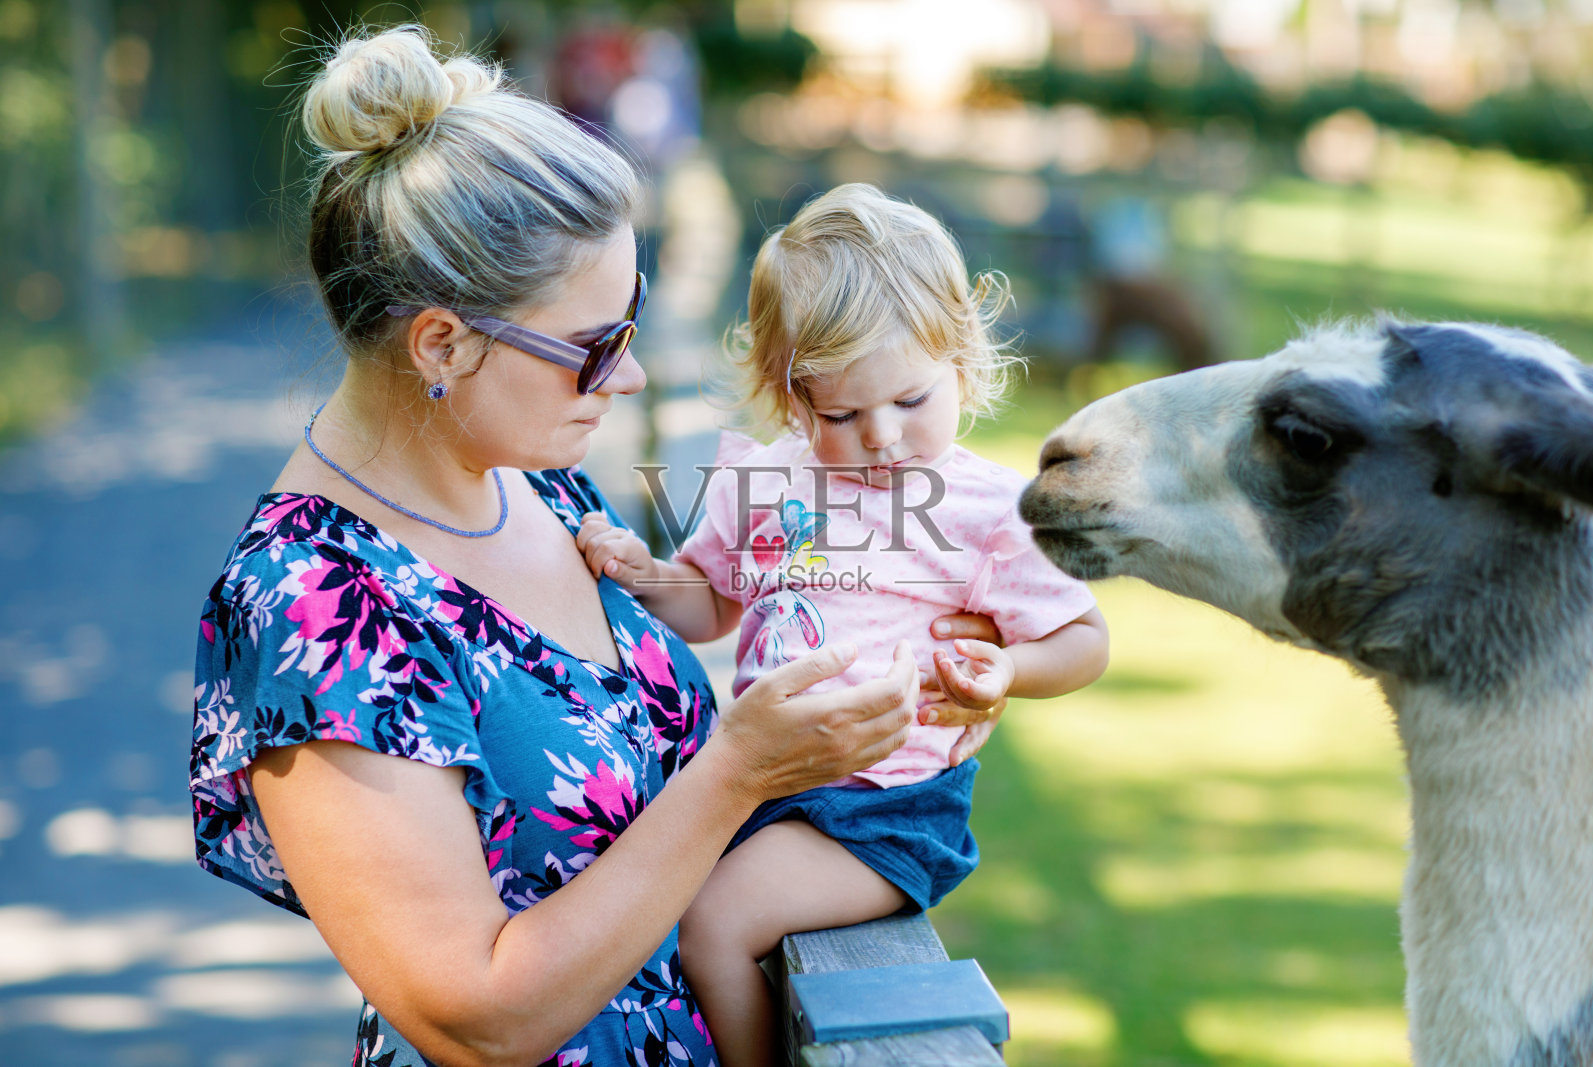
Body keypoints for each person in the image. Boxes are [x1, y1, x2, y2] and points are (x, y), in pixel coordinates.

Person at [188, 29, 1001, 1067]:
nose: (629, 380)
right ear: (443, 343)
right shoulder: (313, 605)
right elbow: (475, 1017)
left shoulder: (529, 477)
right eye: (592, 347)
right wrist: (735, 773)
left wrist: (923, 653)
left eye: (632, 323)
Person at [575, 183, 1111, 1066]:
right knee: (652, 894)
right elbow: (710, 603)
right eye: (841, 414)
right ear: (790, 398)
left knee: (711, 922)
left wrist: (1009, 670)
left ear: (961, 360)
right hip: (766, 783)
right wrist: (638, 571)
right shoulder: (768, 484)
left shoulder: (983, 507)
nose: (883, 437)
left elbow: (1085, 640)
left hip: (883, 805)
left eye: (910, 399)